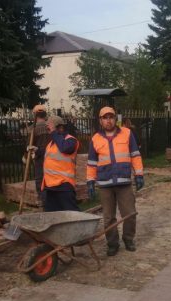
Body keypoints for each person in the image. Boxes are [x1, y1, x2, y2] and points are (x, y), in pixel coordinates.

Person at [87, 106, 144, 256]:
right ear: (100, 121)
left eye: (111, 117)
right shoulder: (95, 139)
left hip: (124, 182)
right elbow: (92, 162)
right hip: (105, 184)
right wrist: (90, 181)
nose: (108, 120)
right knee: (108, 218)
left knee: (130, 214)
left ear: (115, 119)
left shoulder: (127, 133)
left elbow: (135, 155)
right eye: (105, 117)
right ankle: (113, 244)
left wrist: (139, 174)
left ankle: (128, 239)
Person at [41, 116, 80, 212]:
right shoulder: (51, 143)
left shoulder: (71, 140)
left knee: (72, 215)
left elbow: (65, 148)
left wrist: (54, 132)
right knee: (51, 217)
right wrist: (36, 151)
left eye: (50, 128)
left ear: (60, 127)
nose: (49, 130)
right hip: (50, 187)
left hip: (64, 186)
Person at [26, 105, 49, 204]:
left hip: (39, 157)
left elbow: (29, 145)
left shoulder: (32, 129)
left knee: (40, 178)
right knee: (50, 177)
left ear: (35, 115)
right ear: (45, 114)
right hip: (51, 156)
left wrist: (26, 157)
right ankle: (50, 198)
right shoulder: (50, 126)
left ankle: (42, 199)